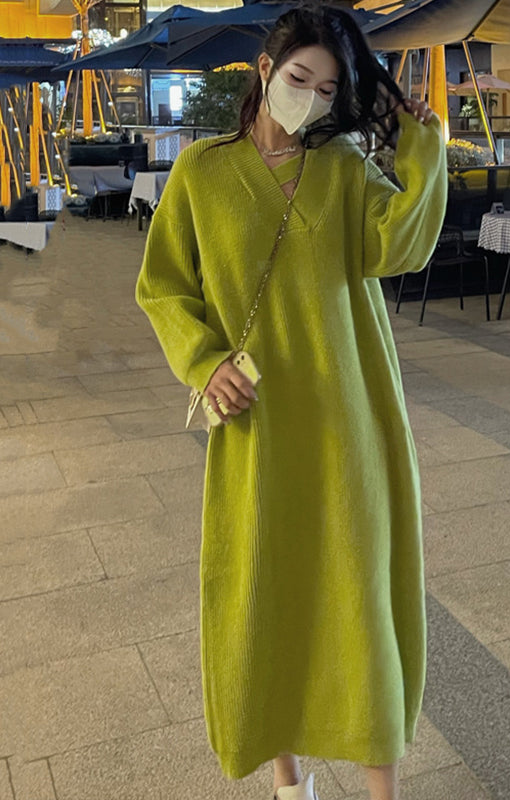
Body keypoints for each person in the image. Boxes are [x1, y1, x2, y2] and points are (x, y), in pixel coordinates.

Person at [135, 5, 447, 800]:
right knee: (267, 588)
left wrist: (423, 146)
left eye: (328, 89)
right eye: (300, 77)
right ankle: (288, 780)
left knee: (359, 598)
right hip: (258, 424)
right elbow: (163, 287)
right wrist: (204, 362)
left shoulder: (342, 168)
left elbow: (401, 247)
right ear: (266, 70)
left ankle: (382, 789)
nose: (310, 97)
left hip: (350, 417)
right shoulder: (201, 172)